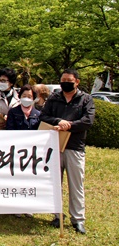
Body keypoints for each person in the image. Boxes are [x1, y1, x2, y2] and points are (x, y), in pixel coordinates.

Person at [40, 69, 95, 234]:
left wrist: (69, 125)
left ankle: (78, 219)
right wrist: (58, 121)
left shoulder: (86, 99)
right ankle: (57, 215)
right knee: (55, 183)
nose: (65, 82)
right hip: (56, 146)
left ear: (76, 81)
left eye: (69, 80)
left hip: (75, 146)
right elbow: (43, 116)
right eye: (63, 79)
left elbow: (88, 120)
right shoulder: (54, 98)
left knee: (76, 184)